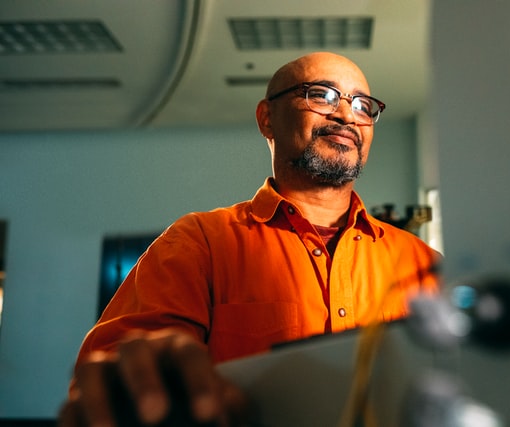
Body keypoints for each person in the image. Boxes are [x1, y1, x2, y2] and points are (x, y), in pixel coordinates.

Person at [59, 51, 440, 426]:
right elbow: (118, 389)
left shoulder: (422, 262)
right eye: (321, 95)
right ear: (266, 119)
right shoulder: (198, 244)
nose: (344, 114)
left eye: (362, 105)